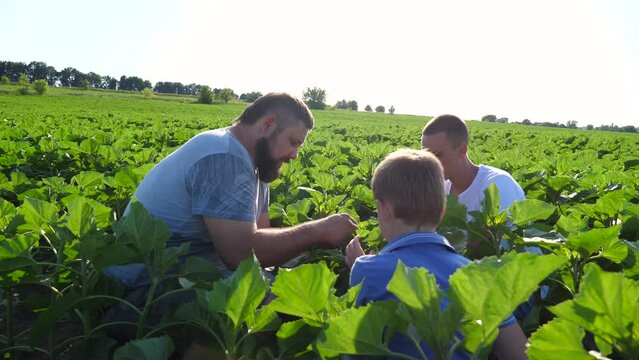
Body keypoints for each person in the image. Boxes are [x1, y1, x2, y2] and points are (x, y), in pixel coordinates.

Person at [103, 93, 357, 345]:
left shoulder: (257, 165)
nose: (294, 155)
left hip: (186, 273)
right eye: (293, 142)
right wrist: (317, 232)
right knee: (277, 304)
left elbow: (263, 238)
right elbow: (241, 255)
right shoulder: (223, 155)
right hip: (140, 293)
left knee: (292, 284)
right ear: (268, 125)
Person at [344, 149, 528, 360]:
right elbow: (518, 354)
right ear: (443, 212)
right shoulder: (480, 277)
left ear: (383, 209)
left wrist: (358, 265)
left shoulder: (368, 270)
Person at [420, 114, 525, 255]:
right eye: (425, 155)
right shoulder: (442, 188)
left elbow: (486, 247)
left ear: (462, 150)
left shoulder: (497, 183)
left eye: (437, 154)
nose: (430, 162)